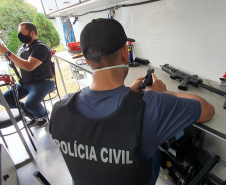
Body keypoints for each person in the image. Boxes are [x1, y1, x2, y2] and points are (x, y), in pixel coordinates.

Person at [49, 18, 215, 185]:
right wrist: (164, 92)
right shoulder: (150, 105)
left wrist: (128, 94)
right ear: (124, 53)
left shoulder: (58, 111)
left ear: (86, 60)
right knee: (155, 151)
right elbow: (207, 110)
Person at [0, 22, 55, 127]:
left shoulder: (40, 47)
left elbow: (29, 66)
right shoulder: (22, 48)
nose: (20, 35)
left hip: (43, 82)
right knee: (4, 100)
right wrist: (7, 55)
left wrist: (8, 52)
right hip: (25, 83)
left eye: (22, 32)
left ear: (32, 33)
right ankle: (35, 115)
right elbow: (18, 62)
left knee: (31, 104)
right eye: (19, 32)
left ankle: (42, 116)